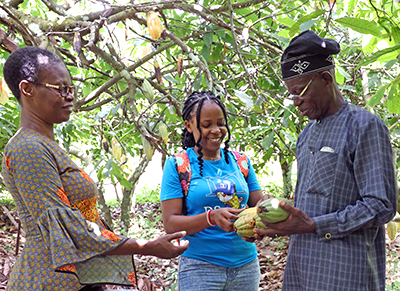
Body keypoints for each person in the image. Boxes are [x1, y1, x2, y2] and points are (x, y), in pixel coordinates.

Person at [1, 46, 189, 291]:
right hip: (47, 281)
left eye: (71, 89)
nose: (69, 97)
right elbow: (68, 230)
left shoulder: (46, 145)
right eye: (60, 89)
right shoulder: (27, 149)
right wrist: (145, 246)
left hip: (78, 279)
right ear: (27, 89)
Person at [254, 30, 398, 290]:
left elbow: (381, 206)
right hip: (302, 268)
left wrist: (313, 225)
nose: (296, 102)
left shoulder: (364, 127)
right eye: (291, 95)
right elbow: (313, 201)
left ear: (325, 78)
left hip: (345, 272)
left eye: (299, 92)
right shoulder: (306, 134)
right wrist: (279, 214)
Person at [160, 91, 265, 291]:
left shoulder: (241, 161)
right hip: (200, 268)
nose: (216, 130)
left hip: (246, 265)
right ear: (189, 125)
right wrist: (211, 217)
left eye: (221, 123)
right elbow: (171, 224)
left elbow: (258, 207)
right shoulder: (178, 164)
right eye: (206, 125)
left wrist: (268, 209)